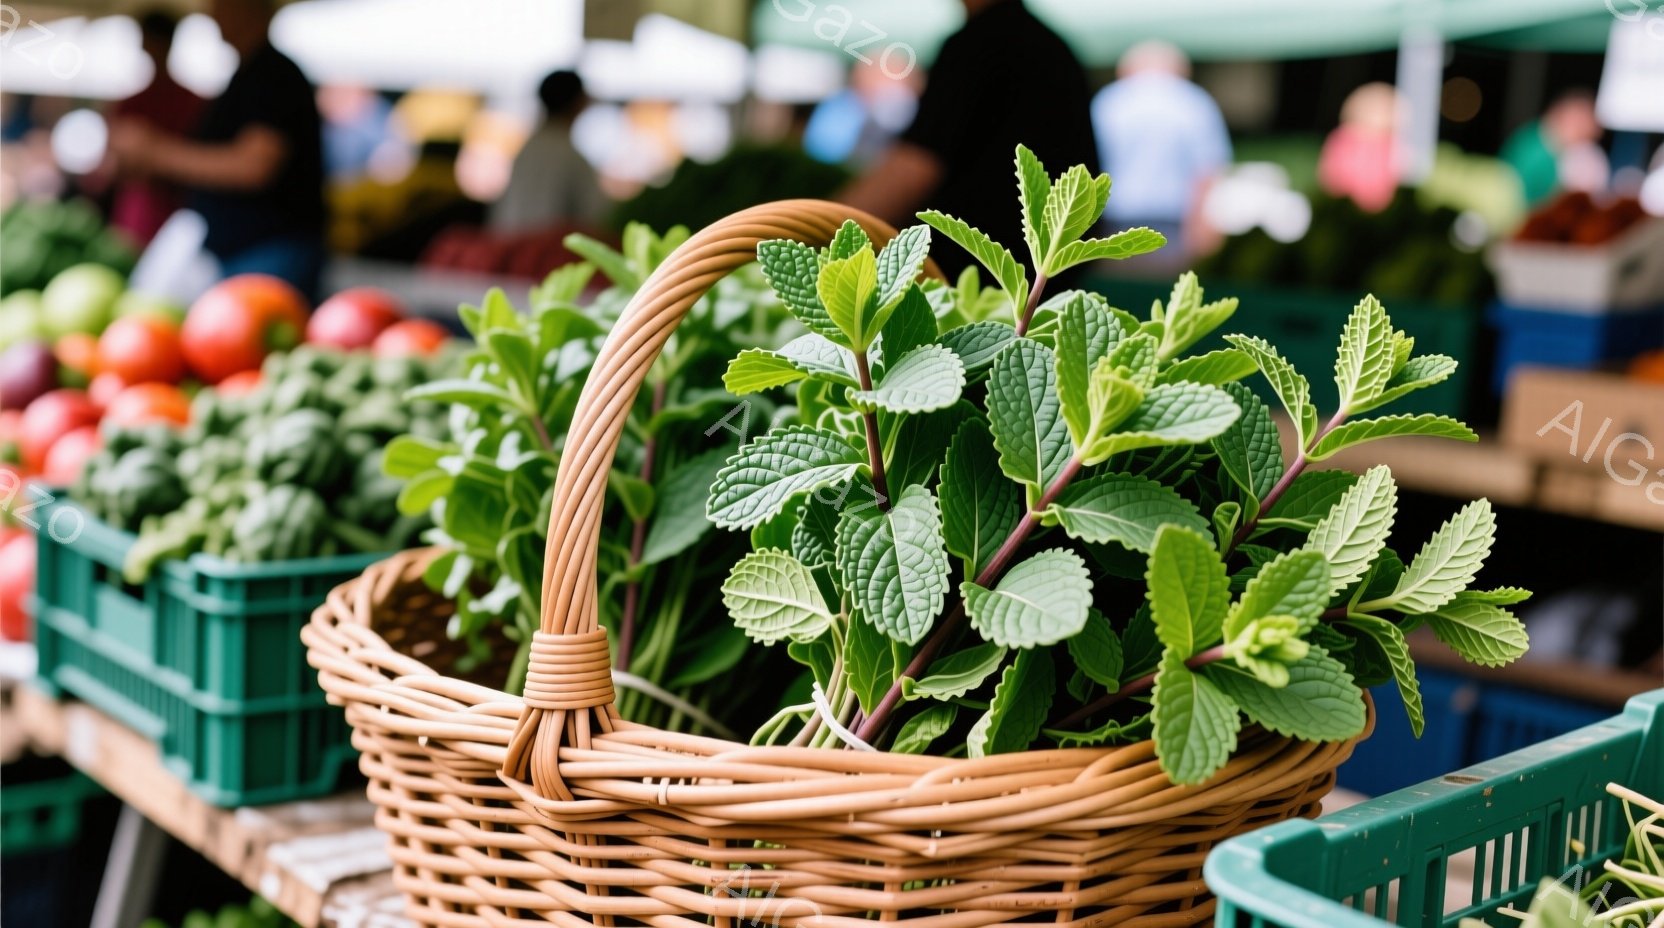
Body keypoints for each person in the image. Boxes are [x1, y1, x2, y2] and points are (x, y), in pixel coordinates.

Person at [838, 0, 1097, 274]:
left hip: (971, 279)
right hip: (1039, 278)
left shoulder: (979, 45)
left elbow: (912, 171)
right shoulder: (1052, 49)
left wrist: (819, 232)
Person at [109, 0, 327, 298]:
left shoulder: (274, 75)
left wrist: (156, 152)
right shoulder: (247, 75)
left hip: (268, 253)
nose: (211, 14)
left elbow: (254, 166)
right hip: (243, 254)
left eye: (220, 4)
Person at [1091, 41, 1229, 254]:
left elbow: (1087, 164)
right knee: (1165, 286)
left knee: (1112, 286)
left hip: (1110, 220)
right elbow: (1207, 170)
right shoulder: (1194, 102)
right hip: (1173, 224)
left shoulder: (1108, 101)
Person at [104, 11, 203, 245]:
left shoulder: (191, 102)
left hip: (174, 216)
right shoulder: (134, 103)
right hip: (141, 217)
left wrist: (150, 152)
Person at [491, 70, 609, 232]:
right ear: (579, 102)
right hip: (549, 253)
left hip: (511, 251)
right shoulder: (570, 157)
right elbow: (596, 217)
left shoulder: (526, 150)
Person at [1501, 91, 1609, 207]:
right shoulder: (1537, 151)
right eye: (1582, 130)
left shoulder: (1548, 145)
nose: (1583, 141)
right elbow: (1521, 197)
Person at [1318, 82, 1403, 212]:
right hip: (1345, 209)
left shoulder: (1394, 144)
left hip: (1386, 213)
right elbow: (1329, 178)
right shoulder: (1343, 139)